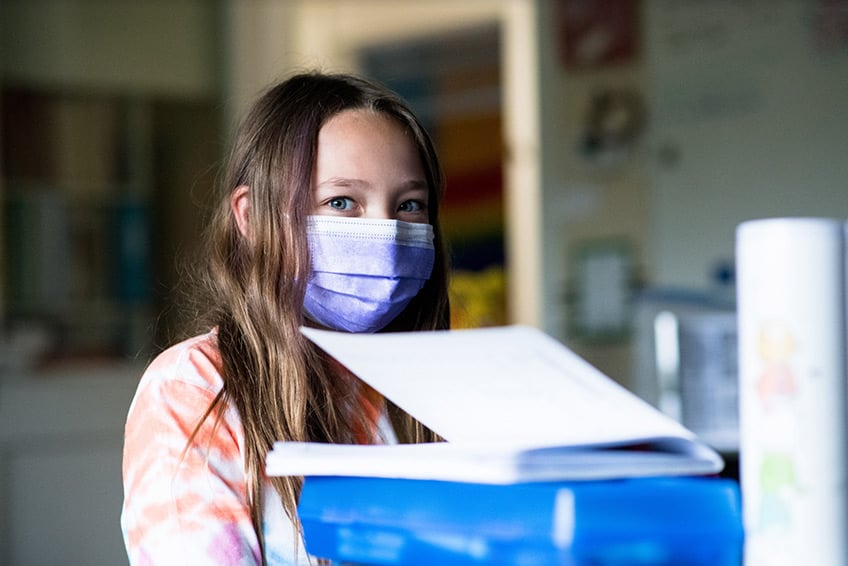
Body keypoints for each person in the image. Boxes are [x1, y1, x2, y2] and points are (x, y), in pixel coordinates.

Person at [120, 71, 450, 565]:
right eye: (342, 202)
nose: (385, 234)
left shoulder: (441, 387)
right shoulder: (193, 389)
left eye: (409, 205)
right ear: (251, 217)